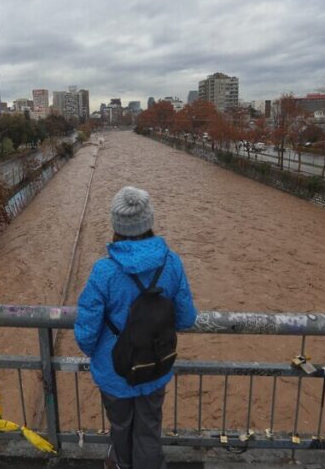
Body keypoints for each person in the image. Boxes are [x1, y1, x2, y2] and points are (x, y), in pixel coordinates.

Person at [75, 186, 197, 469]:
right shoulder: (172, 262)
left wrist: (98, 353)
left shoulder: (104, 271)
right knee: (149, 427)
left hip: (115, 371)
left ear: (115, 226)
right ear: (149, 221)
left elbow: (87, 332)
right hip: (155, 366)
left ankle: (120, 464)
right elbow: (186, 318)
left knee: (121, 427)